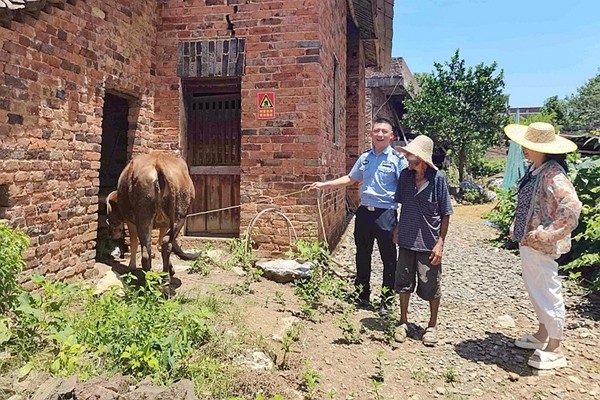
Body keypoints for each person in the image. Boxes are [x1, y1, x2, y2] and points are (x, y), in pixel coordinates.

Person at [310, 117, 407, 315]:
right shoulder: (365, 158)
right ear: (371, 134)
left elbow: (405, 190)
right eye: (376, 131)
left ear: (391, 136)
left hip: (385, 213)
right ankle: (361, 295)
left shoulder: (398, 160)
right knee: (362, 256)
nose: (380, 134)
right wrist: (324, 185)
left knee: (389, 259)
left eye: (384, 132)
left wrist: (401, 223)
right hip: (364, 213)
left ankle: (387, 301)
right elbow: (351, 178)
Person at [504, 122, 581, 370]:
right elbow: (530, 202)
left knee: (547, 290)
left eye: (530, 145)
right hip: (529, 241)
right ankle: (542, 334)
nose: (525, 149)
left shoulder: (552, 174)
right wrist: (518, 224)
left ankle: (556, 347)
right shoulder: (537, 169)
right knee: (536, 289)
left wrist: (546, 234)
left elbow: (571, 209)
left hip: (540, 245)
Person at [392, 135, 453, 346]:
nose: (409, 160)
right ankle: (402, 321)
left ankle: (432, 325)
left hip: (429, 241)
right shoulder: (405, 177)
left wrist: (440, 242)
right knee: (403, 282)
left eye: (413, 157)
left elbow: (446, 213)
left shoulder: (438, 179)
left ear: (423, 158)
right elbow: (403, 205)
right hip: (407, 238)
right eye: (408, 157)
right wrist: (398, 229)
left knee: (431, 284)